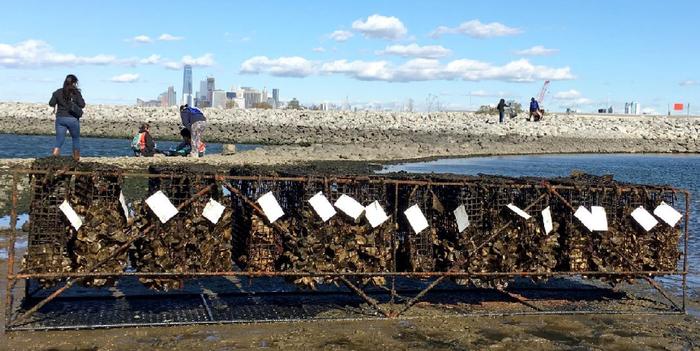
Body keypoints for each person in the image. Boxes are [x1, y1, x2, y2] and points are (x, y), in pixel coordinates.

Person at [49, 74, 85, 161]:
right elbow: (82, 105)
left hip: (61, 118)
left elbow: (51, 103)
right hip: (72, 119)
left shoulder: (58, 92)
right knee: (75, 139)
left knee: (59, 139)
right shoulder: (76, 93)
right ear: (74, 83)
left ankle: (54, 157)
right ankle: (76, 159)